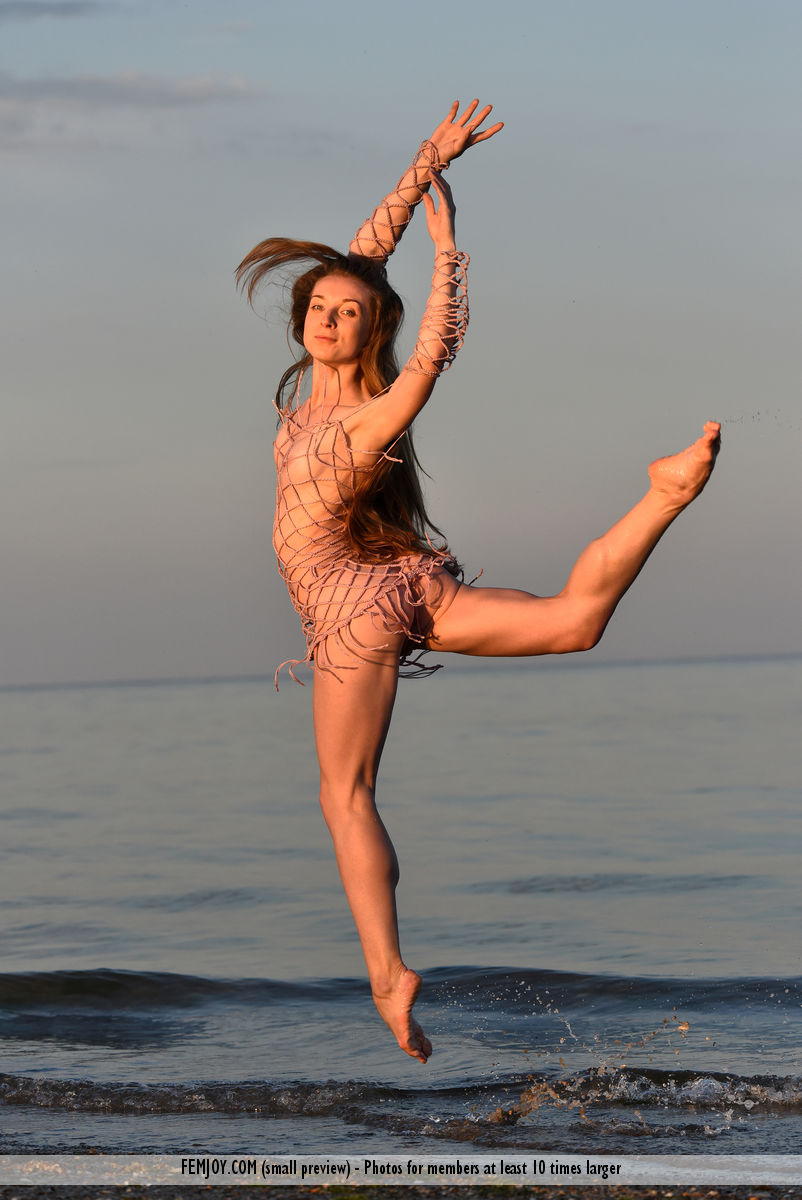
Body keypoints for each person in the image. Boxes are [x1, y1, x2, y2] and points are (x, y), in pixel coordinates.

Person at [237, 101, 721, 1064]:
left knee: (345, 794)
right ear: (303, 317)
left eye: (349, 313)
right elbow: (365, 252)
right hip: (403, 584)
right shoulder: (322, 387)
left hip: (352, 609)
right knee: (574, 623)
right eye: (320, 307)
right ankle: (664, 495)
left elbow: (432, 355)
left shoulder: (364, 419)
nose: (330, 317)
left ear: (371, 329)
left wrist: (448, 253)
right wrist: (427, 162)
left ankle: (387, 973)